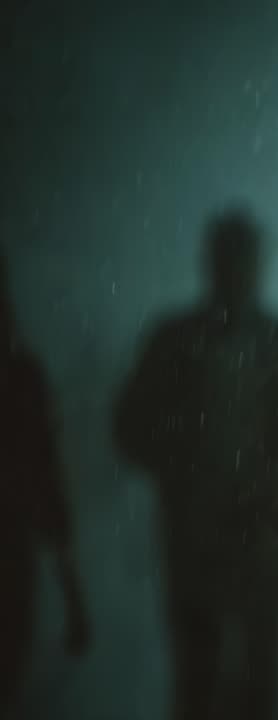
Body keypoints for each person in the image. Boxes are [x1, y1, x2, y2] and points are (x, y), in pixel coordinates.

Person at [113, 210, 278, 720]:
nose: (237, 273)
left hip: (263, 531)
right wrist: (183, 465)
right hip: (202, 537)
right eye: (230, 261)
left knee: (255, 677)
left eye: (244, 261)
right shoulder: (178, 340)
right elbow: (130, 428)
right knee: (201, 674)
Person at [0, 251, 90, 719]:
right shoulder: (21, 378)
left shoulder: (22, 379)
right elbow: (47, 483)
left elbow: (47, 483)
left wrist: (72, 591)